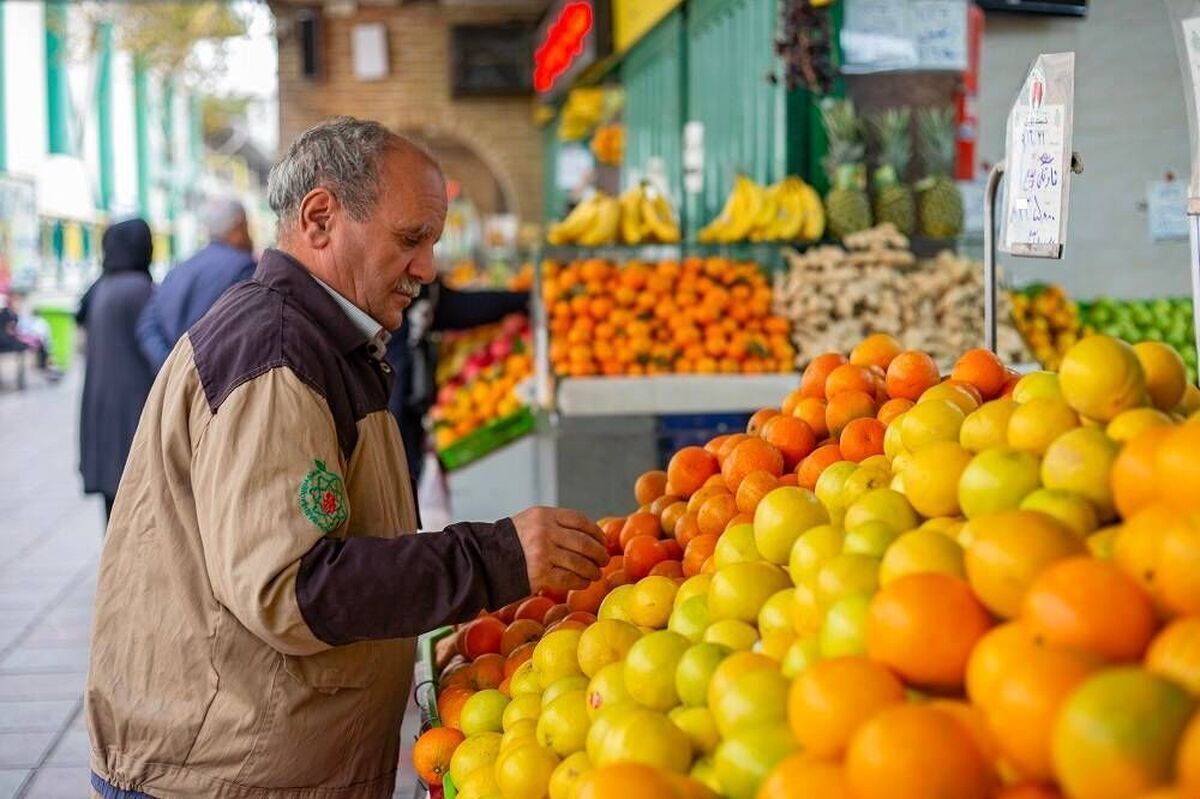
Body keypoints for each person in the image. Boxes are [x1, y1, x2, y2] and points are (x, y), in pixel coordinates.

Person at [86, 117, 608, 798]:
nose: (426, 269)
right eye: (410, 239)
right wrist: (494, 556)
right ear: (322, 217)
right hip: (219, 775)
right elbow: (294, 585)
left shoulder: (323, 339)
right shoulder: (276, 353)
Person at [386, 277, 528, 485]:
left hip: (408, 413)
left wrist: (520, 300)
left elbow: (449, 307)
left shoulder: (420, 288)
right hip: (392, 417)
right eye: (410, 242)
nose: (427, 269)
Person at [76, 218, 155, 521]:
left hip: (102, 408)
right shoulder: (139, 290)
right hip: (132, 411)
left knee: (113, 509)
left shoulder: (101, 287)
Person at [136, 198, 256, 371]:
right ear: (239, 227)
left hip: (177, 385)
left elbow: (147, 326)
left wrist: (173, 369)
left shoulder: (178, 270)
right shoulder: (245, 268)